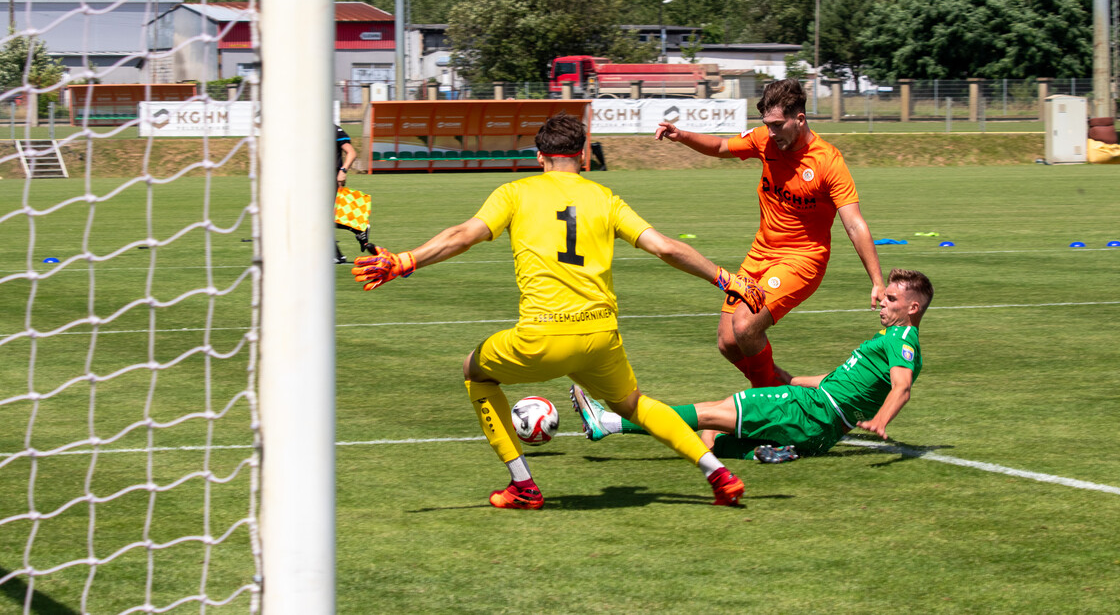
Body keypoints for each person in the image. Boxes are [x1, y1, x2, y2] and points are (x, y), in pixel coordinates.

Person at [351, 114, 767, 509]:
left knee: (474, 372)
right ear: (583, 156)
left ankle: (523, 486)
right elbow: (666, 247)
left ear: (539, 156)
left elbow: (463, 235)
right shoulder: (605, 197)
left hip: (542, 336)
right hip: (600, 337)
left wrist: (406, 260)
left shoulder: (516, 192)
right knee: (634, 405)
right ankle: (717, 473)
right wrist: (726, 279)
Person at [654, 78, 883, 389]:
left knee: (746, 325)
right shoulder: (764, 140)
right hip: (759, 254)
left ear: (799, 119)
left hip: (802, 260)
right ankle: (786, 389)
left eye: (777, 125)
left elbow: (854, 224)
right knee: (727, 342)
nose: (771, 133)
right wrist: (681, 136)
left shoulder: (828, 161)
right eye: (767, 125)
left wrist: (877, 282)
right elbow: (722, 146)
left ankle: (768, 408)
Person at [571, 268, 933, 463]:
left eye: (890, 298)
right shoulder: (890, 340)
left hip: (813, 411)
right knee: (713, 435)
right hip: (822, 424)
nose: (881, 302)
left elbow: (902, 387)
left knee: (709, 414)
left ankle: (609, 422)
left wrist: (881, 420)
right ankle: (757, 451)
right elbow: (838, 379)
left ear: (912, 309)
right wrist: (792, 378)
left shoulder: (902, 342)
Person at [335, 124, 372, 264]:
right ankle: (358, 229)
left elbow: (351, 153)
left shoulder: (334, 130)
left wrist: (343, 171)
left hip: (330, 178)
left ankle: (337, 255)